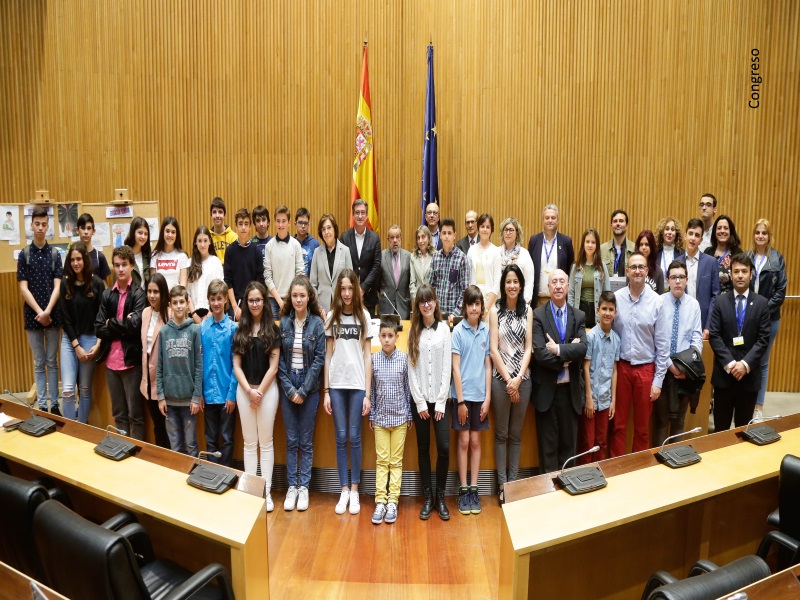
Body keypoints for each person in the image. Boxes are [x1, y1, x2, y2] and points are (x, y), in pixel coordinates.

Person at [323, 269, 372, 516]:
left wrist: (367, 394)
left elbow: (367, 357)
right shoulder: (332, 316)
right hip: (337, 386)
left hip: (357, 386)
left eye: (350, 288)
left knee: (355, 437)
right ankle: (343, 489)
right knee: (340, 437)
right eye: (342, 289)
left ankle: (355, 489)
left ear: (356, 289)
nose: (346, 293)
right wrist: (326, 391)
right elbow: (328, 356)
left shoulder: (364, 316)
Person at [610, 252, 669, 456]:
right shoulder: (616, 299)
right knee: (618, 425)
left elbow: (662, 344)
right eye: (633, 267)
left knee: (642, 429)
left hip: (646, 370)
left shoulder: (657, 301)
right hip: (622, 369)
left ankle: (638, 471)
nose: (637, 271)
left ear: (646, 271)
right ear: (627, 272)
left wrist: (658, 380)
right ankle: (617, 468)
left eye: (640, 267)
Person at [278, 275, 326, 512]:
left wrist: (304, 390)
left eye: (302, 295)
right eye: (294, 295)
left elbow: (319, 360)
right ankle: (292, 486)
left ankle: (303, 487)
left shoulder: (317, 324)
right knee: (291, 440)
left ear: (309, 298)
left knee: (305, 441)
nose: (298, 299)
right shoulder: (284, 323)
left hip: (310, 387)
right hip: (288, 384)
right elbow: (279, 362)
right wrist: (290, 389)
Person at [532, 270, 587, 473]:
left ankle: (567, 495)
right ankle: (548, 498)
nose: (557, 285)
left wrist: (557, 349)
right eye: (553, 282)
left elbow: (582, 349)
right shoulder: (538, 315)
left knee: (568, 451)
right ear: (548, 287)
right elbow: (539, 353)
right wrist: (567, 357)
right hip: (547, 392)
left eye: (561, 281)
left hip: (570, 393)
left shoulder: (578, 315)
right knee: (547, 452)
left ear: (568, 286)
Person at [232, 282, 281, 510]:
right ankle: (251, 493)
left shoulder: (273, 329)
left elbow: (274, 367)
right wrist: (250, 391)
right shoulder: (240, 330)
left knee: (266, 443)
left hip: (267, 392)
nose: (254, 304)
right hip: (245, 392)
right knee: (250, 443)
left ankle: (266, 492)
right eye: (250, 300)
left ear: (264, 301)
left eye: (258, 300)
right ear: (246, 302)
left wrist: (259, 391)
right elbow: (236, 366)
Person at [709, 254, 771, 430]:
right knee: (720, 430)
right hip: (724, 377)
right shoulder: (720, 302)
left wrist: (744, 364)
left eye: (744, 271)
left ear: (751, 275)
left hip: (749, 377)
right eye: (736, 271)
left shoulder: (762, 303)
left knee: (744, 431)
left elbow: (763, 339)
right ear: (731, 274)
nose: (740, 275)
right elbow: (715, 335)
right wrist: (730, 364)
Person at [407, 284, 452, 521]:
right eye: (422, 301)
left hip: (441, 402)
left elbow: (446, 369)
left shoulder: (445, 330)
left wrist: (441, 402)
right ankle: (428, 497)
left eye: (429, 300)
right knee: (423, 448)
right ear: (418, 305)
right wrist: (420, 402)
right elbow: (411, 370)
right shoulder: (413, 331)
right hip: (421, 403)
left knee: (444, 448)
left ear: (435, 302)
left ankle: (441, 496)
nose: (426, 304)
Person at [489, 264, 533, 502]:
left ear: (521, 285)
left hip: (523, 380)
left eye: (516, 281)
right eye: (508, 281)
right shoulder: (495, 311)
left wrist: (518, 379)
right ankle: (502, 486)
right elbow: (494, 350)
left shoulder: (528, 310)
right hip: (500, 381)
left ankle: (513, 486)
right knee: (501, 434)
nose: (512, 285)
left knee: (516, 436)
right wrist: (508, 380)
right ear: (503, 285)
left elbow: (529, 348)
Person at [96, 246, 147, 440]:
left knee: (135, 415)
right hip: (111, 362)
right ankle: (121, 447)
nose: (120, 269)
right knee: (119, 413)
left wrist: (112, 323)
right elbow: (99, 327)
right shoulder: (108, 294)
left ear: (131, 265)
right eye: (116, 265)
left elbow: (134, 325)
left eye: (124, 265)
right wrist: (121, 325)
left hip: (131, 361)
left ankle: (136, 453)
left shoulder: (139, 294)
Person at [18, 206, 63, 415]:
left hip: (52, 314)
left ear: (48, 225)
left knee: (52, 361)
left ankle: (54, 404)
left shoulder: (55, 254)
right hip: (32, 316)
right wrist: (40, 312)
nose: (40, 228)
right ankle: (43, 405)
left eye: (44, 224)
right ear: (31, 225)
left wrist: (48, 311)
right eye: (37, 224)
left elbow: (58, 286)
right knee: (39, 362)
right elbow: (23, 288)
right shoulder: (24, 254)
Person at [451, 285, 491, 515]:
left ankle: (474, 488)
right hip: (463, 397)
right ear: (465, 307)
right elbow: (456, 368)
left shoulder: (485, 331)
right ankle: (463, 489)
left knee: (476, 442)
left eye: (477, 304)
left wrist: (487, 399)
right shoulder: (458, 331)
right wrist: (461, 401)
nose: (474, 308)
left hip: (480, 397)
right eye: (470, 304)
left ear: (481, 307)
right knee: (464, 441)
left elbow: (488, 366)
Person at [653, 261, 703, 446]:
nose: (677, 281)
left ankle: (676, 461)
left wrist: (686, 366)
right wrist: (670, 365)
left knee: (679, 422)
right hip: (663, 369)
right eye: (673, 277)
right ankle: (658, 463)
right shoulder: (659, 302)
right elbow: (656, 340)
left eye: (681, 277)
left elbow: (697, 340)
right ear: (667, 280)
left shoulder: (694, 305)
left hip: (685, 371)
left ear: (687, 280)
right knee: (661, 421)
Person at [369, 319, 412, 525]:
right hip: (380, 419)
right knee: (382, 461)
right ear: (379, 337)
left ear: (397, 337)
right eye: (383, 336)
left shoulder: (403, 359)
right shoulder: (374, 359)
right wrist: (372, 415)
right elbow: (373, 392)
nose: (386, 339)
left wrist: (409, 415)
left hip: (400, 418)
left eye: (390, 336)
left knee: (396, 461)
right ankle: (380, 501)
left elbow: (407, 389)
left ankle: (393, 501)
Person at [746, 219, 787, 419]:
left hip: (770, 319)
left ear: (769, 236)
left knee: (762, 363)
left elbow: (780, 292)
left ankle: (758, 408)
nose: (760, 236)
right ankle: (746, 404)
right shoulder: (746, 256)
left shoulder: (777, 259)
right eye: (757, 232)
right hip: (746, 319)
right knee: (746, 359)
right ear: (754, 235)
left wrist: (762, 311)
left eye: (764, 233)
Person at [59, 242, 104, 422]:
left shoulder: (97, 283)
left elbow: (102, 316)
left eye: (79, 259)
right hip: (70, 341)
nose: (76, 263)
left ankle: (81, 428)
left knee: (85, 389)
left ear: (85, 260)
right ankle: (71, 431)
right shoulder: (65, 283)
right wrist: (76, 345)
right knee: (68, 389)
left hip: (91, 339)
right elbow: (65, 319)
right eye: (72, 260)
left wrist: (99, 344)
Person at [156, 285, 203, 456]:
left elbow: (199, 365)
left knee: (190, 444)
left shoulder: (194, 330)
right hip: (169, 401)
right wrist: (160, 396)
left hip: (189, 401)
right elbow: (159, 366)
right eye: (175, 302)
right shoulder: (164, 332)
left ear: (187, 303)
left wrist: (197, 397)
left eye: (181, 302)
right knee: (174, 446)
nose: (179, 306)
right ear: (170, 305)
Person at [200, 279, 239, 467]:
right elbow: (199, 362)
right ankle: (211, 474)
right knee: (210, 438)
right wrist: (199, 392)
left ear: (225, 300)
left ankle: (226, 474)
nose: (216, 303)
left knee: (227, 438)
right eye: (213, 299)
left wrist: (232, 395)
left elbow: (235, 365)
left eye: (219, 299)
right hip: (208, 395)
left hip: (226, 395)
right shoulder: (203, 328)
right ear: (208, 300)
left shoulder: (233, 328)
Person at [577, 291, 619, 465]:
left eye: (611, 309)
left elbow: (614, 370)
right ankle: (585, 476)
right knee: (588, 442)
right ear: (597, 310)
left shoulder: (616, 339)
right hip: (591, 400)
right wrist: (588, 398)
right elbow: (585, 368)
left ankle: (598, 473)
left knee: (601, 442)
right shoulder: (591, 336)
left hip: (605, 400)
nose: (607, 313)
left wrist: (613, 400)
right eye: (604, 309)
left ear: (615, 312)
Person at [140, 273, 171, 448]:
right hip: (148, 383)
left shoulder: (171, 314)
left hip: (166, 383)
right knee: (158, 427)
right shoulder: (145, 313)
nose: (152, 296)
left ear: (163, 292)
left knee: (169, 428)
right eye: (149, 291)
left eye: (156, 292)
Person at [527, 204, 575, 308]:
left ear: (558, 220)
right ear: (543, 220)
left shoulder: (566, 242)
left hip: (559, 300)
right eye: (547, 218)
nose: (550, 220)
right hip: (538, 300)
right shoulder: (534, 241)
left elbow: (570, 269)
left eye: (553, 218)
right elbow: (529, 269)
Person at [679, 219, 720, 340]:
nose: (693, 238)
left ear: (701, 240)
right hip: (681, 321)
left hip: (702, 323)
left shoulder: (711, 262)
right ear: (685, 236)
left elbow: (715, 295)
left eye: (697, 235)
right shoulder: (676, 262)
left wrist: (708, 326)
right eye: (690, 233)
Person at [340, 199, 382, 316]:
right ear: (352, 215)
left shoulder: (374, 238)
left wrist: (363, 288)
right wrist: (353, 288)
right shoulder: (344, 237)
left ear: (367, 215)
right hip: (348, 297)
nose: (360, 216)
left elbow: (376, 266)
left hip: (369, 297)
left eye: (363, 212)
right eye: (357, 213)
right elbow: (342, 265)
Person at [223, 208, 265, 321]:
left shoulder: (256, 251)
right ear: (236, 226)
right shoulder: (230, 250)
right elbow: (228, 281)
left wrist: (254, 304)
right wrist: (235, 307)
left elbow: (260, 280)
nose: (243, 227)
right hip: (235, 305)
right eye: (240, 224)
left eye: (246, 224)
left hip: (253, 303)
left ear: (250, 227)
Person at [264, 205, 305, 318]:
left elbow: (300, 273)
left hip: (292, 297)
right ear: (274, 222)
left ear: (289, 222)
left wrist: (290, 296)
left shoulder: (296, 245)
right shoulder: (269, 246)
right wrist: (279, 300)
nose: (281, 225)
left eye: (283, 221)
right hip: (273, 298)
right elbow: (267, 276)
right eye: (278, 221)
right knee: (273, 332)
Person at [310, 213, 352, 316]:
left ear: (335, 229)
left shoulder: (345, 251)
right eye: (323, 229)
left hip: (342, 305)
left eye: (329, 228)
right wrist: (318, 307)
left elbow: (351, 282)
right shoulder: (317, 252)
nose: (326, 232)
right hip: (322, 308)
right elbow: (312, 284)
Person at [568, 227, 611, 328]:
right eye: (587, 242)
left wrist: (605, 312)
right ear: (583, 244)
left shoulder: (602, 266)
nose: (590, 245)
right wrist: (571, 314)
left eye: (593, 242)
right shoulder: (575, 266)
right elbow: (571, 294)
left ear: (597, 245)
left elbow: (607, 292)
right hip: (580, 308)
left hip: (596, 309)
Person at [429, 218, 469, 318]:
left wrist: (455, 313)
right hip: (436, 314)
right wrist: (433, 309)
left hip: (455, 315)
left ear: (454, 235)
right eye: (444, 233)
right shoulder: (435, 257)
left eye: (449, 233)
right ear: (440, 235)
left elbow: (465, 290)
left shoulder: (462, 258)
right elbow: (431, 286)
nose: (447, 236)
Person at [186, 225, 224, 324]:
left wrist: (210, 314)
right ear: (195, 242)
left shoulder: (215, 262)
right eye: (200, 241)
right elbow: (187, 292)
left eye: (205, 240)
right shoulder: (189, 263)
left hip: (212, 313)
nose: (203, 245)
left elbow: (220, 289)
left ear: (210, 241)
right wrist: (194, 314)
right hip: (193, 315)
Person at [499, 217, 534, 305]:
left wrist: (525, 303)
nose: (508, 233)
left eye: (511, 230)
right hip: (500, 302)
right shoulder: (496, 252)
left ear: (517, 233)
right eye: (506, 230)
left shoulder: (524, 254)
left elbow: (529, 282)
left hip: (520, 303)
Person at [704, 214, 743, 295]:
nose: (722, 231)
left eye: (726, 228)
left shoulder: (737, 253)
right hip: (711, 300)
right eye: (719, 228)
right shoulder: (708, 252)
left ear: (730, 232)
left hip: (730, 301)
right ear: (715, 232)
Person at [379, 225, 412, 319]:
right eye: (392, 237)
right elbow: (377, 283)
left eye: (397, 237)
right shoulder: (381, 257)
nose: (395, 240)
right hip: (386, 307)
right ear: (388, 239)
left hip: (403, 307)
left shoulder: (409, 256)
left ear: (401, 238)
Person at [150, 216, 189, 291]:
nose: (170, 235)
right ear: (162, 232)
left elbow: (183, 287)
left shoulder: (182, 256)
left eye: (173, 232)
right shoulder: (154, 255)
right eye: (167, 231)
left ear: (176, 235)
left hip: (176, 300)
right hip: (159, 300)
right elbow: (153, 284)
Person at [600, 209, 635, 278]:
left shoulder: (634, 249)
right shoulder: (602, 249)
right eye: (615, 221)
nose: (618, 224)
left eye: (621, 221)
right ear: (611, 226)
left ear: (626, 225)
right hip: (607, 288)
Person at [76, 213, 111, 281]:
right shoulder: (71, 257)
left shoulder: (99, 257)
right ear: (77, 230)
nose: (86, 232)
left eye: (89, 228)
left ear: (93, 231)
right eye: (83, 228)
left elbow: (104, 285)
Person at [655, 216, 685, 292]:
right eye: (667, 229)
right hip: (658, 294)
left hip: (676, 293)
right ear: (662, 232)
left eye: (673, 230)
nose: (669, 233)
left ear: (676, 233)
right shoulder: (655, 253)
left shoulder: (682, 253)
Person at [124, 216, 151, 289]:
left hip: (145, 298)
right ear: (133, 233)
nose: (143, 236)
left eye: (146, 234)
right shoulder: (124, 254)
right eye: (140, 233)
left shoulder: (147, 255)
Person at [409, 225, 433, 305]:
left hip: (431, 301)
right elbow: (412, 283)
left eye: (423, 237)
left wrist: (429, 301)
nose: (420, 241)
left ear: (429, 238)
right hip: (418, 301)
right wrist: (418, 300)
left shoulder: (436, 256)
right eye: (418, 238)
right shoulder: (413, 257)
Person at [635, 230, 665, 294]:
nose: (643, 247)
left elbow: (661, 297)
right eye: (641, 244)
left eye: (647, 244)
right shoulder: (632, 269)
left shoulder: (658, 272)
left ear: (652, 247)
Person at [210, 196, 237, 263]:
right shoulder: (207, 237)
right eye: (214, 212)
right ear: (211, 215)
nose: (217, 215)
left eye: (220, 212)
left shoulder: (233, 237)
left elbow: (235, 259)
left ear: (224, 215)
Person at [294, 207, 320, 276]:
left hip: (310, 285)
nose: (303, 226)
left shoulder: (315, 244)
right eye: (300, 223)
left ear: (308, 225)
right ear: (295, 224)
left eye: (305, 223)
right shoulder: (291, 243)